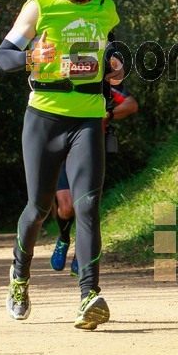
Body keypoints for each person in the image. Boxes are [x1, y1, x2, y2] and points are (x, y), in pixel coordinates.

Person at [0, 0, 123, 330]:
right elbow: (3, 58)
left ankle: (89, 295)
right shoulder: (39, 6)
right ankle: (19, 278)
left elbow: (112, 51)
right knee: (39, 209)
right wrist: (32, 55)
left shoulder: (106, 7)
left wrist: (117, 66)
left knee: (87, 204)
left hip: (88, 114)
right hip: (45, 116)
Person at [51, 78, 138, 275]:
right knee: (66, 207)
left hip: (90, 149)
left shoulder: (102, 81)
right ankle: (64, 238)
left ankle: (79, 257)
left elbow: (131, 104)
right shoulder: (58, 76)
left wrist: (108, 114)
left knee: (84, 205)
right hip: (60, 148)